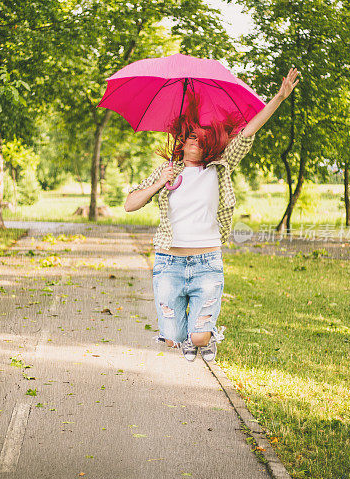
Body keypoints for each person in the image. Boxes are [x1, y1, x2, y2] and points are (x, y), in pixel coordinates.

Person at [124, 67, 300, 363]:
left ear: (209, 141)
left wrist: (279, 98)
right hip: (169, 263)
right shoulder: (168, 172)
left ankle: (205, 336)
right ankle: (188, 335)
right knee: (171, 339)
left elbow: (248, 132)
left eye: (201, 137)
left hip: (207, 262)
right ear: (182, 139)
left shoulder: (219, 167)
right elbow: (130, 204)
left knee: (198, 337)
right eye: (190, 136)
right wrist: (158, 182)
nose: (195, 141)